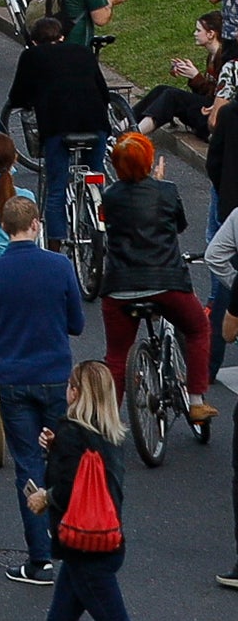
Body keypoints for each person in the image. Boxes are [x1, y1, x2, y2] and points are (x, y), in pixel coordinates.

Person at [0, 191, 87, 582]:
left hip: (13, 379)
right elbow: (77, 324)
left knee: (28, 465)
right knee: (62, 458)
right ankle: (70, 543)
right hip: (54, 376)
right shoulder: (59, 266)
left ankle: (39, 559)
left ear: (4, 229)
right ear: (35, 225)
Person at [27, 363, 154, 621]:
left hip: (86, 549)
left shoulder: (72, 434)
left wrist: (44, 497)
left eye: (70, 385)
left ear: (76, 393)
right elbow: (89, 475)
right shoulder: (109, 434)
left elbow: (70, 489)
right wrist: (55, 446)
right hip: (101, 544)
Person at [89, 132, 214, 432]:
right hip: (166, 281)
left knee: (117, 356)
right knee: (198, 329)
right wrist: (158, 184)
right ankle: (196, 399)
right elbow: (179, 224)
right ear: (148, 161)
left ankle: (109, 421)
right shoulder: (167, 192)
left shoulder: (111, 196)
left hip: (120, 287)